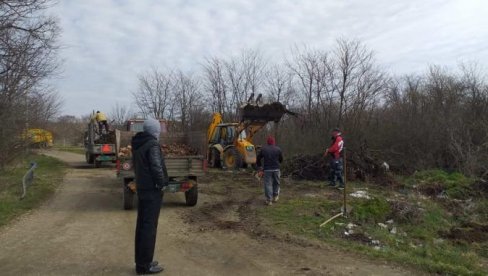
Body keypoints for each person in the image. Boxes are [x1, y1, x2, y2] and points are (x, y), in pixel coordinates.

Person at [131, 118, 168, 275]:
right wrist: (162, 184)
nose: (159, 132)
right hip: (152, 191)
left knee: (142, 226)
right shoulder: (152, 144)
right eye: (158, 129)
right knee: (149, 228)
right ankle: (145, 266)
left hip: (143, 188)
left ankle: (141, 262)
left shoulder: (138, 143)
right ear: (154, 130)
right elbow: (156, 166)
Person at [256, 135, 283, 206]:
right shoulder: (278, 149)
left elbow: (258, 159)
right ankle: (275, 196)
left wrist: (260, 167)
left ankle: (269, 200)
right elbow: (281, 159)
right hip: (276, 169)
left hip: (267, 170)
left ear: (267, 142)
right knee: (276, 183)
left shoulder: (263, 149)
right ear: (274, 142)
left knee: (268, 184)